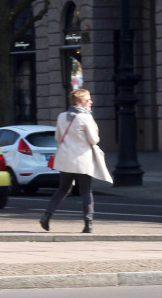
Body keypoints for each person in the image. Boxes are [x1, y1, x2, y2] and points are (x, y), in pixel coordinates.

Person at [40, 88, 113, 233]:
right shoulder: (86, 118)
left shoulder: (61, 116)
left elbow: (57, 138)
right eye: (88, 100)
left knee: (62, 189)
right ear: (80, 102)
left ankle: (46, 216)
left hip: (65, 159)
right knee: (86, 191)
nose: (91, 102)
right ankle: (88, 223)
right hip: (82, 159)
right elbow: (94, 139)